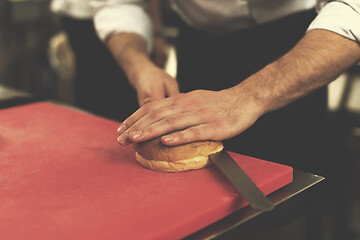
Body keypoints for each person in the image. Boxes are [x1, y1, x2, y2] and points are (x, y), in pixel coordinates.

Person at [50, 0, 169, 120]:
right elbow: (119, 5)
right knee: (94, 95)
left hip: (114, 19)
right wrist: (141, 68)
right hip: (87, 18)